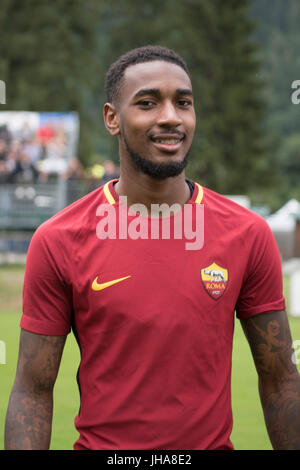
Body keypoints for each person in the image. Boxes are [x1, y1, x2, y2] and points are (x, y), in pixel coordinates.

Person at [5, 45, 300, 451]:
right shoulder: (58, 240)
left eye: (183, 102)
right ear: (112, 119)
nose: (170, 117)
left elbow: (280, 380)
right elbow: (33, 391)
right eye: (147, 103)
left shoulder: (247, 234)